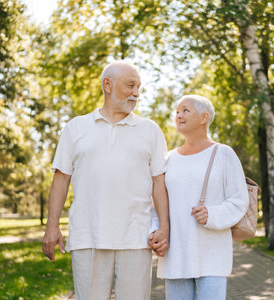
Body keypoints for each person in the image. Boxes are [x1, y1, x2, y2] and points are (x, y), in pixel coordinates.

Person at [42, 61, 170, 300]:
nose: (136, 93)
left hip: (136, 237)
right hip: (88, 235)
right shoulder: (76, 128)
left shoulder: (150, 130)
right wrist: (52, 226)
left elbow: (159, 183)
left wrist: (164, 227)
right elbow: (61, 179)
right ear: (107, 84)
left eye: (139, 87)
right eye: (131, 85)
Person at [152, 95, 250, 300]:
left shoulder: (224, 154)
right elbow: (156, 206)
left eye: (185, 110)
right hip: (176, 255)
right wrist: (156, 232)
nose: (178, 114)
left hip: (212, 254)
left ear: (204, 117)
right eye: (177, 111)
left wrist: (212, 214)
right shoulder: (168, 159)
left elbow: (239, 199)